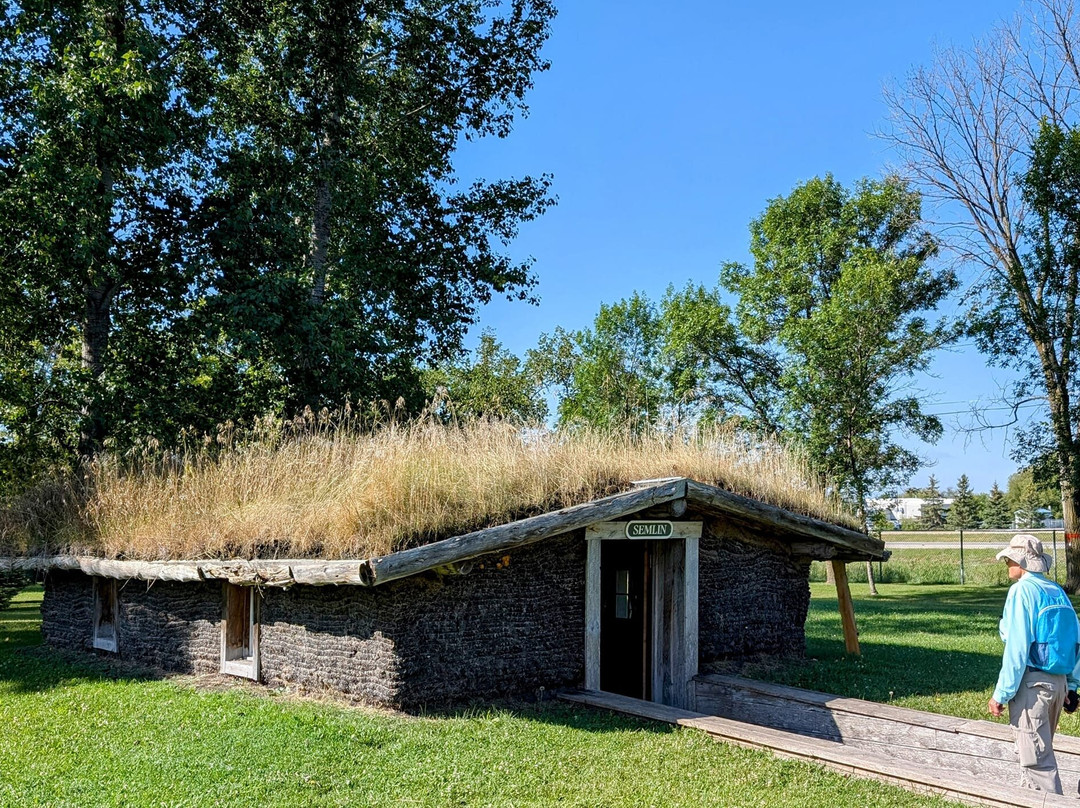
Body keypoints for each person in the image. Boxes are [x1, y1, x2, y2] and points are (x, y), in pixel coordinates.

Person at [988, 533, 1080, 794]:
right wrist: (1072, 686)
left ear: (1022, 562)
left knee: (1037, 763)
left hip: (1033, 686)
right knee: (1039, 751)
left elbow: (1017, 648)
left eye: (1009, 559)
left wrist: (1001, 693)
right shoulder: (1057, 591)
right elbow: (1076, 641)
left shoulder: (1022, 591)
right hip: (1058, 684)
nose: (1007, 563)